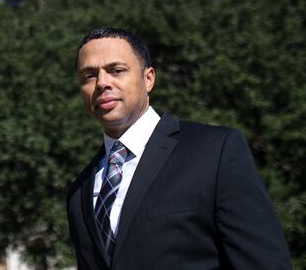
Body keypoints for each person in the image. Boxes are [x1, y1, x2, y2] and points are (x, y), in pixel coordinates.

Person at [66, 27, 292, 269]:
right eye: (89, 76)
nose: (102, 83)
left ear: (148, 78)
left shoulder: (215, 152)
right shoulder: (79, 191)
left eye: (117, 70)